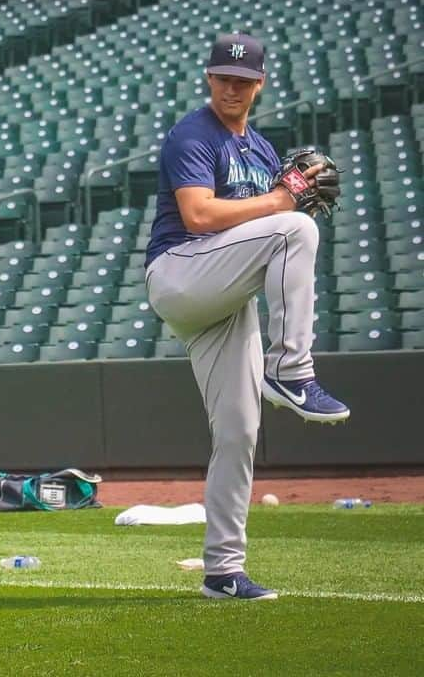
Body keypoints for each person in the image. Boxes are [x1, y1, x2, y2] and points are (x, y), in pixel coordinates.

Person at [144, 32, 349, 602]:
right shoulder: (192, 133)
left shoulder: (260, 151)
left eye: (242, 80)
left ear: (259, 85)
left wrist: (282, 198)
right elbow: (200, 214)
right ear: (208, 79)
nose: (230, 87)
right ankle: (291, 369)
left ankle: (223, 571)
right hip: (180, 271)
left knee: (239, 430)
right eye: (221, 77)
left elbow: (255, 230)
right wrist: (283, 201)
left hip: (222, 296)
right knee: (296, 227)